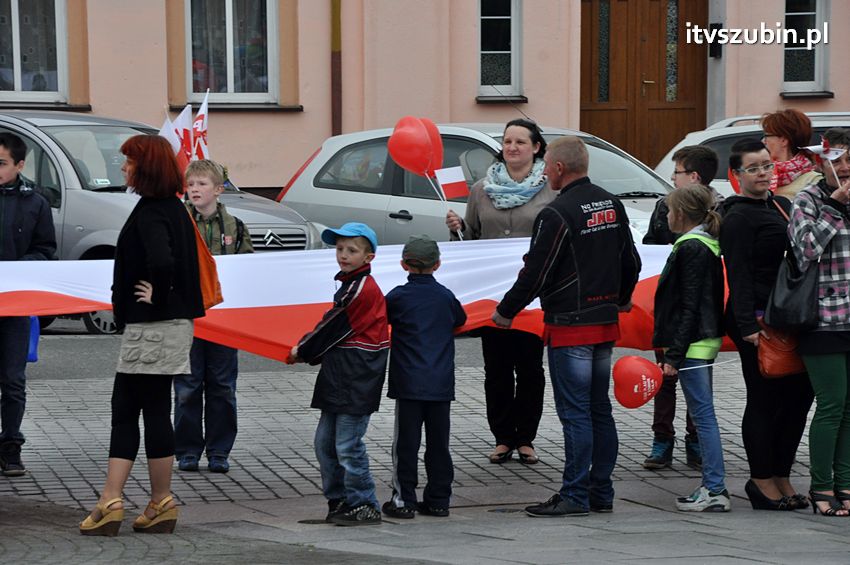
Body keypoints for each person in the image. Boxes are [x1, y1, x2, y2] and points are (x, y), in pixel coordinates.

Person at [493, 136, 641, 516]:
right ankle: (600, 492)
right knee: (598, 410)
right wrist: (620, 299)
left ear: (559, 168)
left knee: (575, 413)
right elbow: (632, 261)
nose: (544, 172)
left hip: (570, 325)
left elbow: (536, 273)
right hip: (604, 322)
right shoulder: (611, 203)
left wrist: (506, 311)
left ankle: (574, 494)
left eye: (547, 166)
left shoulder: (556, 214)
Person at [79, 135, 205, 536]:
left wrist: (156, 294)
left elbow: (162, 259)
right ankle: (157, 502)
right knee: (150, 408)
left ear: (144, 166)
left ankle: (112, 500)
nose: (122, 167)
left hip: (154, 328)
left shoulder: (153, 211)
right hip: (166, 327)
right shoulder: (171, 208)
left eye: (128, 161)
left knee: (127, 408)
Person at [445, 118, 555, 465]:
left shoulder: (552, 188)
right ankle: (503, 437)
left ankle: (526, 438)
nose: (512, 147)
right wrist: (458, 229)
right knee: (496, 368)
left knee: (530, 367)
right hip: (492, 296)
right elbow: (471, 240)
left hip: (534, 294)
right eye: (508, 142)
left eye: (520, 142)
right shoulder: (481, 189)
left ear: (536, 147)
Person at [719, 139, 813, 512]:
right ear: (737, 175)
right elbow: (737, 274)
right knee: (764, 399)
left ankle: (781, 473)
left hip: (789, 315)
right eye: (753, 169)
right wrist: (747, 326)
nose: (762, 174)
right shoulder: (737, 216)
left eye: (766, 167)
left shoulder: (782, 204)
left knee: (799, 398)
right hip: (756, 318)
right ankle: (761, 480)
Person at [287, 222, 389, 526]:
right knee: (325, 443)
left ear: (368, 257)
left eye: (352, 250)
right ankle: (339, 500)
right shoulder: (348, 283)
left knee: (348, 444)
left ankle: (365, 503)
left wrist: (302, 350)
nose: (343, 255)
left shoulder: (360, 289)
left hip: (357, 377)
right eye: (340, 249)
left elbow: (332, 325)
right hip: (340, 374)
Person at [643, 145, 722, 471]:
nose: (671, 178)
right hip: (677, 317)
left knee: (698, 400)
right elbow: (650, 246)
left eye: (676, 172)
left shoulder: (709, 222)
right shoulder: (666, 209)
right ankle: (663, 440)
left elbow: (693, 300)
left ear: (693, 177)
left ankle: (699, 449)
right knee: (666, 382)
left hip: (690, 325)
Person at [174, 160, 253, 474]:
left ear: (219, 190)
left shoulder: (235, 227)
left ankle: (219, 450)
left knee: (222, 386)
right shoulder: (179, 222)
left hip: (224, 318)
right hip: (189, 317)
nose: (195, 190)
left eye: (202, 184)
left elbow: (246, 267)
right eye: (191, 185)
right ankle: (187, 450)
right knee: (188, 386)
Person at [652, 184, 729, 512]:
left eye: (669, 210)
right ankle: (713, 486)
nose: (666, 216)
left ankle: (715, 488)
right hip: (699, 340)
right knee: (703, 413)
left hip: (695, 343)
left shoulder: (693, 247)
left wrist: (675, 353)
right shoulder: (697, 244)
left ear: (681, 214)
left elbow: (690, 305)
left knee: (703, 414)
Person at [787, 127, 850, 516]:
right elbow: (806, 249)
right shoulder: (808, 200)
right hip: (823, 317)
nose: (842, 168)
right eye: (836, 161)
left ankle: (845, 483)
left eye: (847, 160)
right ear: (819, 162)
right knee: (832, 403)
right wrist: (835, 207)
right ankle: (821, 486)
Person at [381, 235, 467, 520]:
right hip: (440, 384)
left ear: (404, 264)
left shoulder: (396, 297)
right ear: (438, 264)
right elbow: (461, 320)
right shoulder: (445, 296)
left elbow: (381, 320)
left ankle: (404, 499)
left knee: (406, 443)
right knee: (439, 444)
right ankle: (439, 499)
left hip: (408, 384)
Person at [0, 132, 56, 477]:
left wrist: (16, 271)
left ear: (20, 166)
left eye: (1, 163)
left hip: (15, 308)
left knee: (12, 379)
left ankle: (10, 446)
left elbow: (45, 251)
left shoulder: (35, 203)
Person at [761, 109, 819, 198]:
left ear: (783, 140)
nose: (763, 141)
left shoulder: (813, 180)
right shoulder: (762, 176)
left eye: (766, 136)